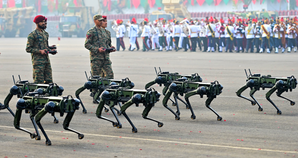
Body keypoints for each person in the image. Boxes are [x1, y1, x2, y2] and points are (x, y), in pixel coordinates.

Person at [26, 15, 57, 84]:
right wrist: (40, 51)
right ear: (37, 23)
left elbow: (45, 47)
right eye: (41, 22)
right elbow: (28, 48)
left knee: (49, 81)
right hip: (38, 62)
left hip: (46, 61)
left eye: (44, 22)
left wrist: (50, 50)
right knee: (39, 82)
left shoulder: (45, 34)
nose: (44, 23)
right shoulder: (32, 35)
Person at [85, 15, 115, 79]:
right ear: (95, 21)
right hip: (96, 59)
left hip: (105, 58)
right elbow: (87, 44)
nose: (101, 22)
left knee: (110, 75)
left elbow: (107, 44)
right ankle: (95, 89)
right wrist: (97, 49)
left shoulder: (105, 32)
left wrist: (110, 48)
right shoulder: (91, 31)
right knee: (96, 78)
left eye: (102, 20)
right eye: (100, 20)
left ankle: (108, 88)